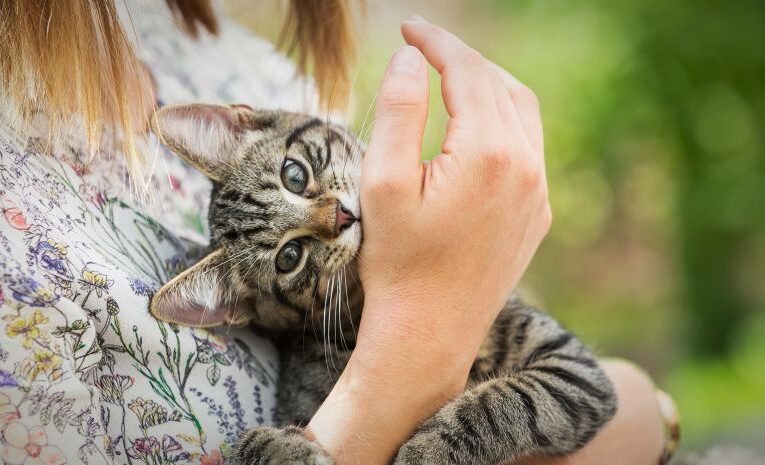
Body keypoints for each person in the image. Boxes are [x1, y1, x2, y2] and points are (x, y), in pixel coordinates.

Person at [0, 2, 671, 464]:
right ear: (247, 308)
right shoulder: (315, 367)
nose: (330, 217)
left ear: (254, 122)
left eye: (293, 172)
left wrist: (647, 412)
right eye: (293, 256)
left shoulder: (219, 46)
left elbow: (592, 391)